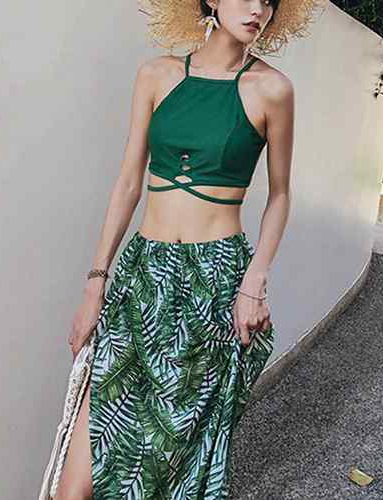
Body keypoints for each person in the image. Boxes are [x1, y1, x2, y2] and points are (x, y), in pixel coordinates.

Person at [52, 0, 323, 498]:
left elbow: (281, 194)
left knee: (168, 466)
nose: (258, 9)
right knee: (76, 484)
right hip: (142, 277)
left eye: (269, 0)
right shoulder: (156, 75)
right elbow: (128, 183)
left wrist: (254, 280)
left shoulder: (272, 89)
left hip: (212, 285)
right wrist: (95, 282)